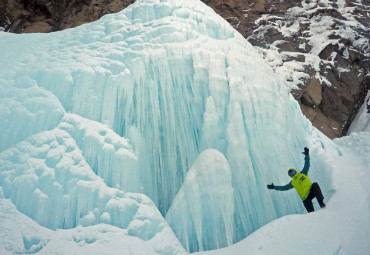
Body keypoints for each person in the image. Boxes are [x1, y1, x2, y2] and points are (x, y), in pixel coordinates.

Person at [267, 147, 326, 213]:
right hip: (305, 198)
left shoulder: (303, 173)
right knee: (311, 213)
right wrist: (274, 187)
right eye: (291, 173)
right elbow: (284, 188)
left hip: (311, 191)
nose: (292, 173)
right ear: (290, 176)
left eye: (292, 172)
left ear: (295, 171)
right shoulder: (292, 183)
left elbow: (307, 164)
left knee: (315, 184)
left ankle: (321, 203)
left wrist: (307, 155)